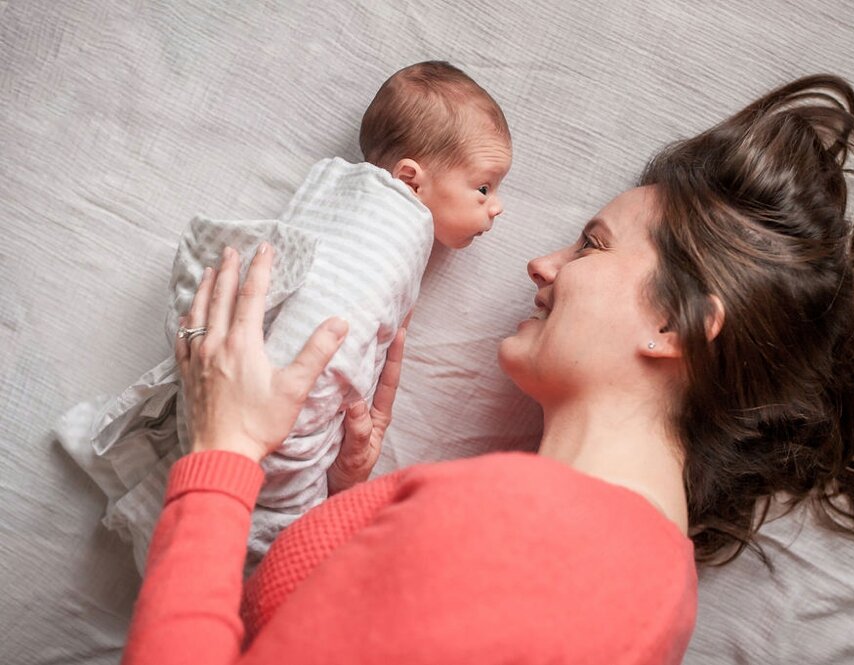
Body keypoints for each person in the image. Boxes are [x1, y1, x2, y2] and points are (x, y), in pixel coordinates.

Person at [122, 75, 854, 664]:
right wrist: (352, 501)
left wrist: (220, 455)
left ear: (673, 321)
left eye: (592, 242)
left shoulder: (530, 531)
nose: (542, 264)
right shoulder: (653, 578)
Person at [57, 60, 512, 567]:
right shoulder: (386, 231)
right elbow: (320, 325)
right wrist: (290, 447)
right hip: (275, 419)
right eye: (484, 187)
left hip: (261, 422)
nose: (496, 208)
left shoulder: (343, 198)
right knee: (269, 534)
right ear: (410, 179)